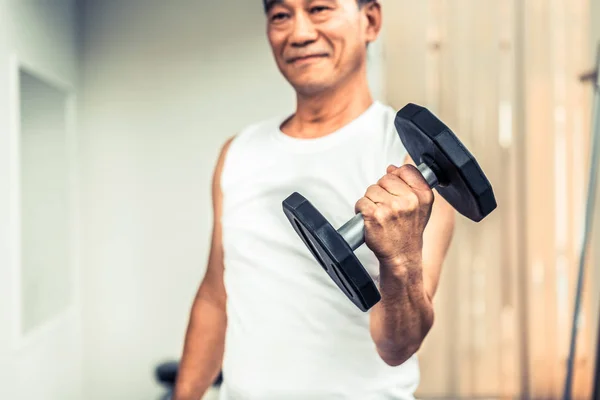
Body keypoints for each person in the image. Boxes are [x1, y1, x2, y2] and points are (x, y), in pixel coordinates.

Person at [173, 1, 455, 399]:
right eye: (281, 16)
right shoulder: (237, 153)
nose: (299, 33)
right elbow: (215, 297)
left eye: (319, 8)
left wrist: (401, 258)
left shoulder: (416, 165)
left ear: (370, 21)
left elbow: (399, 347)